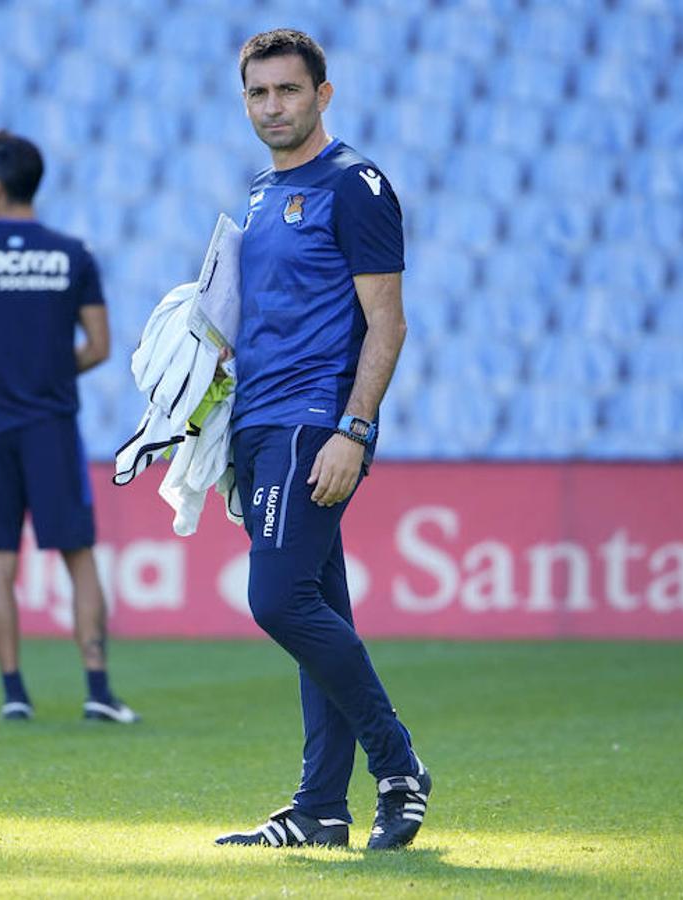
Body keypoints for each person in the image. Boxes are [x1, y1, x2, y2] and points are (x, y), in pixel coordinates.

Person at [213, 30, 431, 850]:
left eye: (288, 91)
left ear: (323, 95)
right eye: (258, 94)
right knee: (317, 607)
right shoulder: (263, 193)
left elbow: (388, 323)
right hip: (259, 424)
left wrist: (355, 428)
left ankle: (399, 764)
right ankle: (320, 810)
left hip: (315, 424)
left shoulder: (356, 185)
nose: (273, 106)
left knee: (277, 600)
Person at [0, 130, 138, 724]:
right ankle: (98, 689)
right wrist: (43, 365)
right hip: (51, 423)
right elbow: (98, 346)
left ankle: (14, 693)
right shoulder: (74, 253)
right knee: (78, 555)